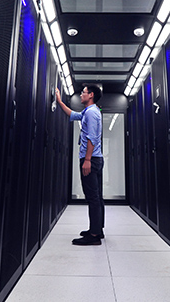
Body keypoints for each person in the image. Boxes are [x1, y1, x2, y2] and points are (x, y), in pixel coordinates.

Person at [55, 84, 104, 245]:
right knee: (97, 196)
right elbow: (73, 114)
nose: (81, 94)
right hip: (95, 158)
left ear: (91, 95)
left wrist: (87, 159)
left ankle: (94, 235)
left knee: (92, 197)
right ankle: (97, 229)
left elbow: (92, 137)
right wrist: (59, 101)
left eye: (83, 92)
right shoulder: (88, 111)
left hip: (91, 159)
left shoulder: (91, 113)